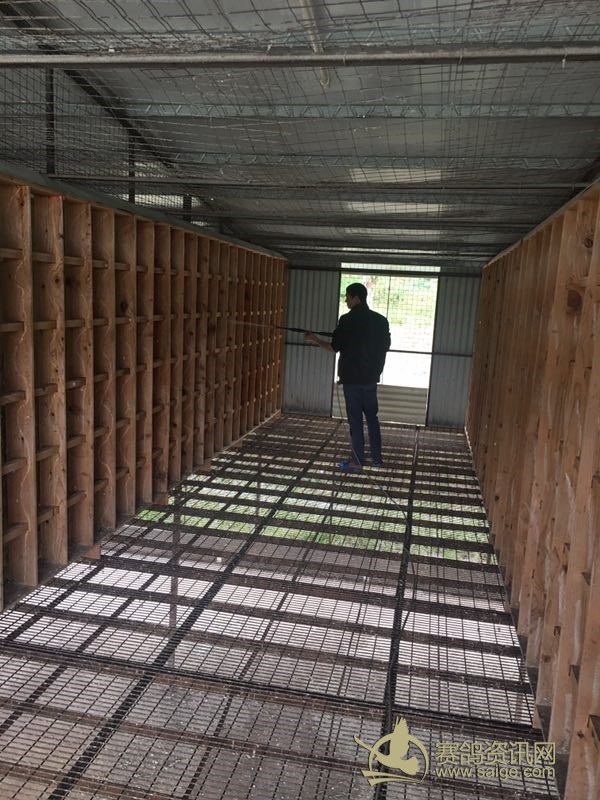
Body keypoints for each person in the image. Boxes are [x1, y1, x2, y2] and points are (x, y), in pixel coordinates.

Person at [305, 282, 391, 472]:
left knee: (355, 421)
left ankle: (357, 461)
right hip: (371, 379)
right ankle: (377, 459)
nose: (346, 300)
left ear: (356, 298)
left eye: (347, 297)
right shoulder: (381, 321)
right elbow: (385, 346)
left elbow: (334, 347)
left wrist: (315, 339)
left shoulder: (346, 320)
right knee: (372, 418)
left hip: (352, 381)